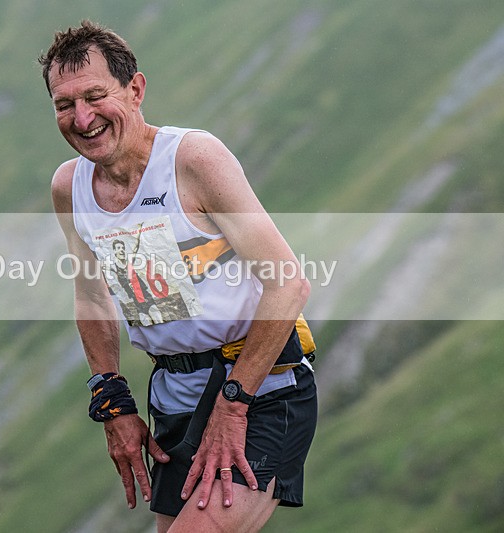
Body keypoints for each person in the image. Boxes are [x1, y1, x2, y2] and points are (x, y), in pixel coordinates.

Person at [40, 20, 318, 533]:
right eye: (64, 104)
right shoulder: (69, 186)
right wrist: (112, 400)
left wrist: (233, 406)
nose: (82, 118)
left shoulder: (192, 159)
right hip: (174, 398)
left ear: (136, 89)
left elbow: (289, 282)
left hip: (259, 393)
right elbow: (93, 297)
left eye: (96, 96)